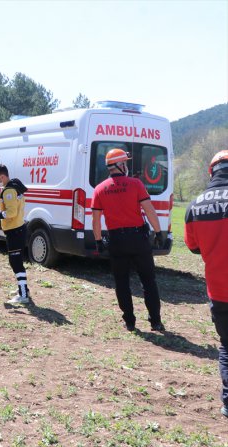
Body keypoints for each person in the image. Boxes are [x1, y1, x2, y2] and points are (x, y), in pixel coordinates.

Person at [91, 148, 166, 332]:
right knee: (148, 281)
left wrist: (99, 241)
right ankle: (155, 321)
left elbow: (96, 220)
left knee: (122, 282)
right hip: (138, 238)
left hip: (116, 240)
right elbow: (149, 210)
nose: (126, 166)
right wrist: (158, 233)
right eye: (125, 162)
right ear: (120, 164)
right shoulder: (136, 184)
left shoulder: (100, 189)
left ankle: (130, 322)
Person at [184, 150, 228, 418]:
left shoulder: (195, 206)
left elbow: (192, 247)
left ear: (211, 172)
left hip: (220, 291)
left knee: (226, 346)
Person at [0, 164, 30, 304]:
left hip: (15, 231)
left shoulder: (9, 191)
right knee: (17, 261)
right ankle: (23, 289)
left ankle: (23, 295)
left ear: (2, 176)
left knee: (15, 262)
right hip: (18, 229)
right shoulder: (15, 186)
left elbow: (11, 212)